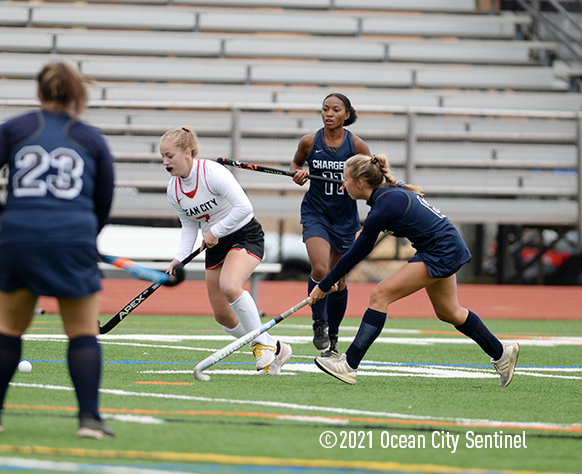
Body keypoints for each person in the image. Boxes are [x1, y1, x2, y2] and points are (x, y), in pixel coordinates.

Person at [0, 61, 116, 438]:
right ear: (75, 95)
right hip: (73, 237)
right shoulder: (91, 138)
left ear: (38, 92)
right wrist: (85, 235)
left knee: (9, 328)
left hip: (20, 235)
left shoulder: (16, 128)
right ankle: (90, 420)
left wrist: (1, 213)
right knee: (83, 332)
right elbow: (104, 201)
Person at [311, 154, 519, 387]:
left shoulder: (384, 207)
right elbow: (357, 251)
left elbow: (358, 251)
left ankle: (349, 365)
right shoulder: (386, 198)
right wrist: (331, 279)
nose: (342, 185)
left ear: (360, 182)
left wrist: (325, 284)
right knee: (449, 312)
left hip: (441, 250)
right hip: (444, 246)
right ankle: (502, 352)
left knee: (380, 295)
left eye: (345, 179)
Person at [161, 126, 292, 374]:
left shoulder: (211, 172)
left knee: (230, 286)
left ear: (187, 153)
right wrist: (179, 259)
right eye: (163, 157)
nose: (166, 162)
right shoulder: (174, 189)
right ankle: (274, 346)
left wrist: (215, 231)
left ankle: (262, 348)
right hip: (216, 244)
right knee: (223, 316)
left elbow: (244, 207)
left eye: (170, 156)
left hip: (245, 234)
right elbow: (189, 224)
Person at [290, 93, 371, 357]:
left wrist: (357, 185)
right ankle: (319, 323)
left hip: (345, 219)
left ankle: (334, 337)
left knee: (339, 280)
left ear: (346, 115)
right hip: (316, 213)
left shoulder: (357, 146)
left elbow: (372, 178)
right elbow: (295, 164)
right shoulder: (310, 141)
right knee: (321, 269)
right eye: (325, 109)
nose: (329, 113)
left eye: (336, 110)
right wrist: (297, 175)